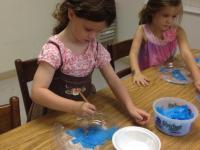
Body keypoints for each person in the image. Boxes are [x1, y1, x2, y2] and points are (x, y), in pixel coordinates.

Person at [31, 0, 150, 125]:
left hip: (82, 111)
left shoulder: (95, 48)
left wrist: (130, 107)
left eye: (99, 32)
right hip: (54, 113)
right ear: (71, 14)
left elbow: (113, 80)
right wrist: (74, 107)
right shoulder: (54, 50)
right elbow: (37, 92)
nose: (93, 36)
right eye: (88, 29)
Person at [130, 0, 200, 92]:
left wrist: (197, 78)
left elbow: (186, 53)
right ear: (152, 12)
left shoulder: (178, 31)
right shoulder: (142, 31)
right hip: (147, 78)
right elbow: (133, 53)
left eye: (174, 16)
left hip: (166, 75)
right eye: (165, 15)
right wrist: (137, 73)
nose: (169, 21)